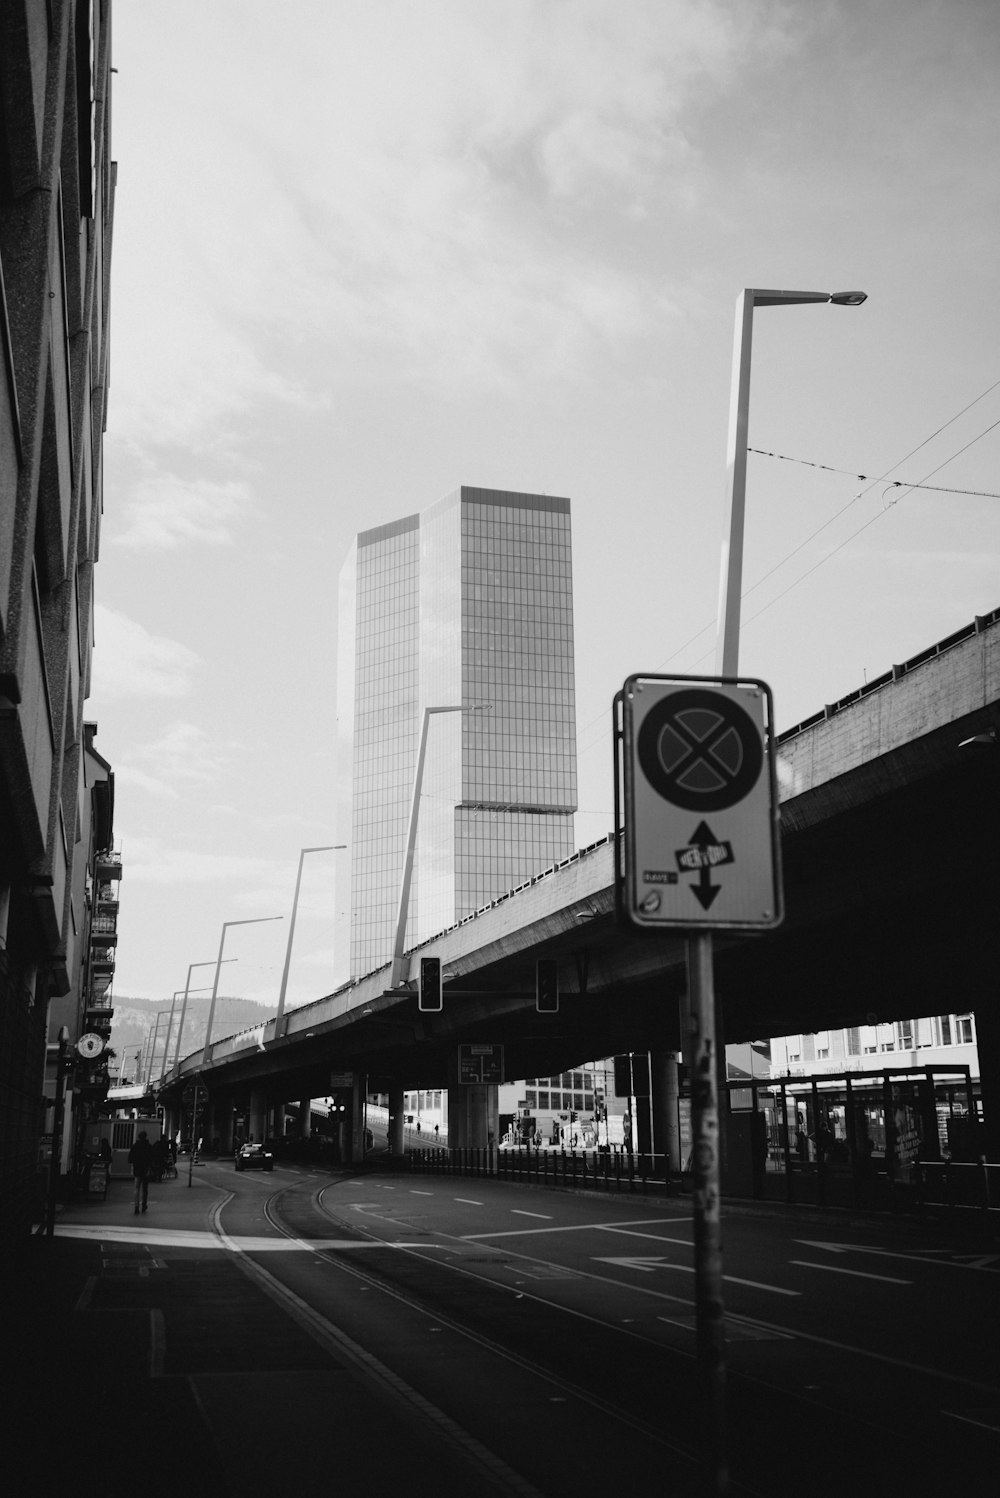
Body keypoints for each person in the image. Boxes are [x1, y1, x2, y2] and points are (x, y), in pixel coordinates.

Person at [128, 1130, 152, 1214]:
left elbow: (130, 1159)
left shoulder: (135, 1146)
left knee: (136, 1188)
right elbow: (151, 1158)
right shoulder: (148, 1146)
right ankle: (144, 1205)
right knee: (145, 1189)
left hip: (137, 1170)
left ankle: (136, 1206)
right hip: (145, 1170)